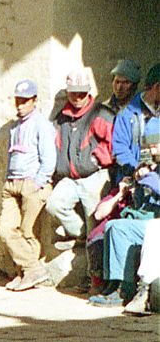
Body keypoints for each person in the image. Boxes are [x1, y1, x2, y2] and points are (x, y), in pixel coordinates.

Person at [45, 69, 115, 246]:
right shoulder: (61, 117)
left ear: (88, 91)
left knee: (95, 222)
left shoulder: (100, 113)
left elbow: (113, 142)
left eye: (82, 93)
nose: (77, 97)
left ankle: (92, 271)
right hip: (70, 178)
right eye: (73, 93)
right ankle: (81, 233)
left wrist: (96, 160)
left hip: (94, 177)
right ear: (68, 92)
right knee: (54, 205)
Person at [0, 79, 57, 291]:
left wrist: (38, 183)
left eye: (25, 101)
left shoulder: (41, 124)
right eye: (18, 100)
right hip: (12, 183)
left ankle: (28, 273)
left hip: (31, 182)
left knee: (27, 231)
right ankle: (31, 270)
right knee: (6, 230)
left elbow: (49, 158)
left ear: (34, 101)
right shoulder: (15, 126)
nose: (20, 105)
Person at [89, 170, 160, 308]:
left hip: (155, 224)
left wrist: (154, 182)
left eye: (154, 147)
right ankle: (113, 283)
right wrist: (133, 190)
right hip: (150, 222)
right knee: (112, 226)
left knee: (120, 228)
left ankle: (125, 289)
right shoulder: (154, 168)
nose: (151, 149)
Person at [111, 62, 160, 184]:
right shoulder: (126, 115)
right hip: (134, 179)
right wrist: (137, 169)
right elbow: (120, 149)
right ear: (157, 87)